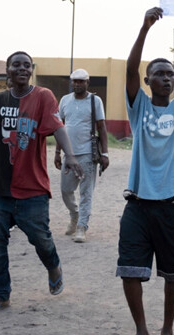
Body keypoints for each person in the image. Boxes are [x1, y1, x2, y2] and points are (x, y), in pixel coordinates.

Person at [0, 51, 83, 315]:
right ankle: (1, 295)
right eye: (16, 64)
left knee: (41, 241)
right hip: (1, 192)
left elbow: (57, 127)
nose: (22, 68)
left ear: (31, 70)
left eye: (26, 65)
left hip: (32, 191)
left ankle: (53, 266)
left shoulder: (43, 96)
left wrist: (70, 156)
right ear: (7, 71)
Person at [118, 7, 174, 335]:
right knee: (130, 270)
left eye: (170, 74)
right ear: (147, 81)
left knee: (173, 274)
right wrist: (144, 28)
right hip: (137, 205)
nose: (166, 78)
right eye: (159, 73)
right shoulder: (138, 105)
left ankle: (167, 329)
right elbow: (129, 69)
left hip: (171, 205)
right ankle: (141, 328)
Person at [54, 68, 109, 243]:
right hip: (68, 154)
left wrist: (105, 153)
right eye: (75, 81)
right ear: (71, 82)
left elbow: (101, 127)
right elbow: (59, 128)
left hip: (88, 154)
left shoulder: (95, 101)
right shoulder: (64, 100)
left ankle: (82, 227)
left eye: (81, 81)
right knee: (65, 190)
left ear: (87, 82)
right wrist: (57, 152)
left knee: (86, 193)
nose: (77, 84)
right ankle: (75, 215)